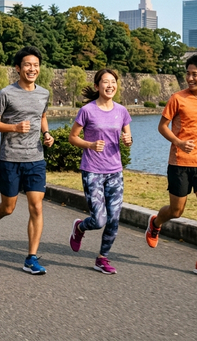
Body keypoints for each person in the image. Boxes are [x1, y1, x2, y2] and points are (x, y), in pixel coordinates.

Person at [145, 54, 197, 277]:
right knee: (176, 211)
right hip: (179, 163)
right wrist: (178, 142)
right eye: (188, 73)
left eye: (195, 74)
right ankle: (156, 222)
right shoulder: (177, 98)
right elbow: (162, 127)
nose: (189, 78)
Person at [0, 46, 54, 275]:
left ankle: (31, 258)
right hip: (10, 158)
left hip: (36, 158)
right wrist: (14, 127)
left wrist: (47, 133)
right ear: (18, 68)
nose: (32, 69)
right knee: (8, 207)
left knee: (37, 207)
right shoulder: (6, 93)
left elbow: (41, 116)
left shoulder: (44, 93)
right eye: (27, 65)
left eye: (36, 65)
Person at [68, 69, 133, 274]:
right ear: (97, 86)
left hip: (115, 171)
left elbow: (128, 137)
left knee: (114, 218)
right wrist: (89, 144)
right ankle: (79, 228)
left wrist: (128, 140)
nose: (110, 85)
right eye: (105, 82)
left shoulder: (122, 111)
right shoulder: (87, 110)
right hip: (93, 170)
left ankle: (102, 258)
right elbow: (73, 137)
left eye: (113, 82)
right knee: (99, 220)